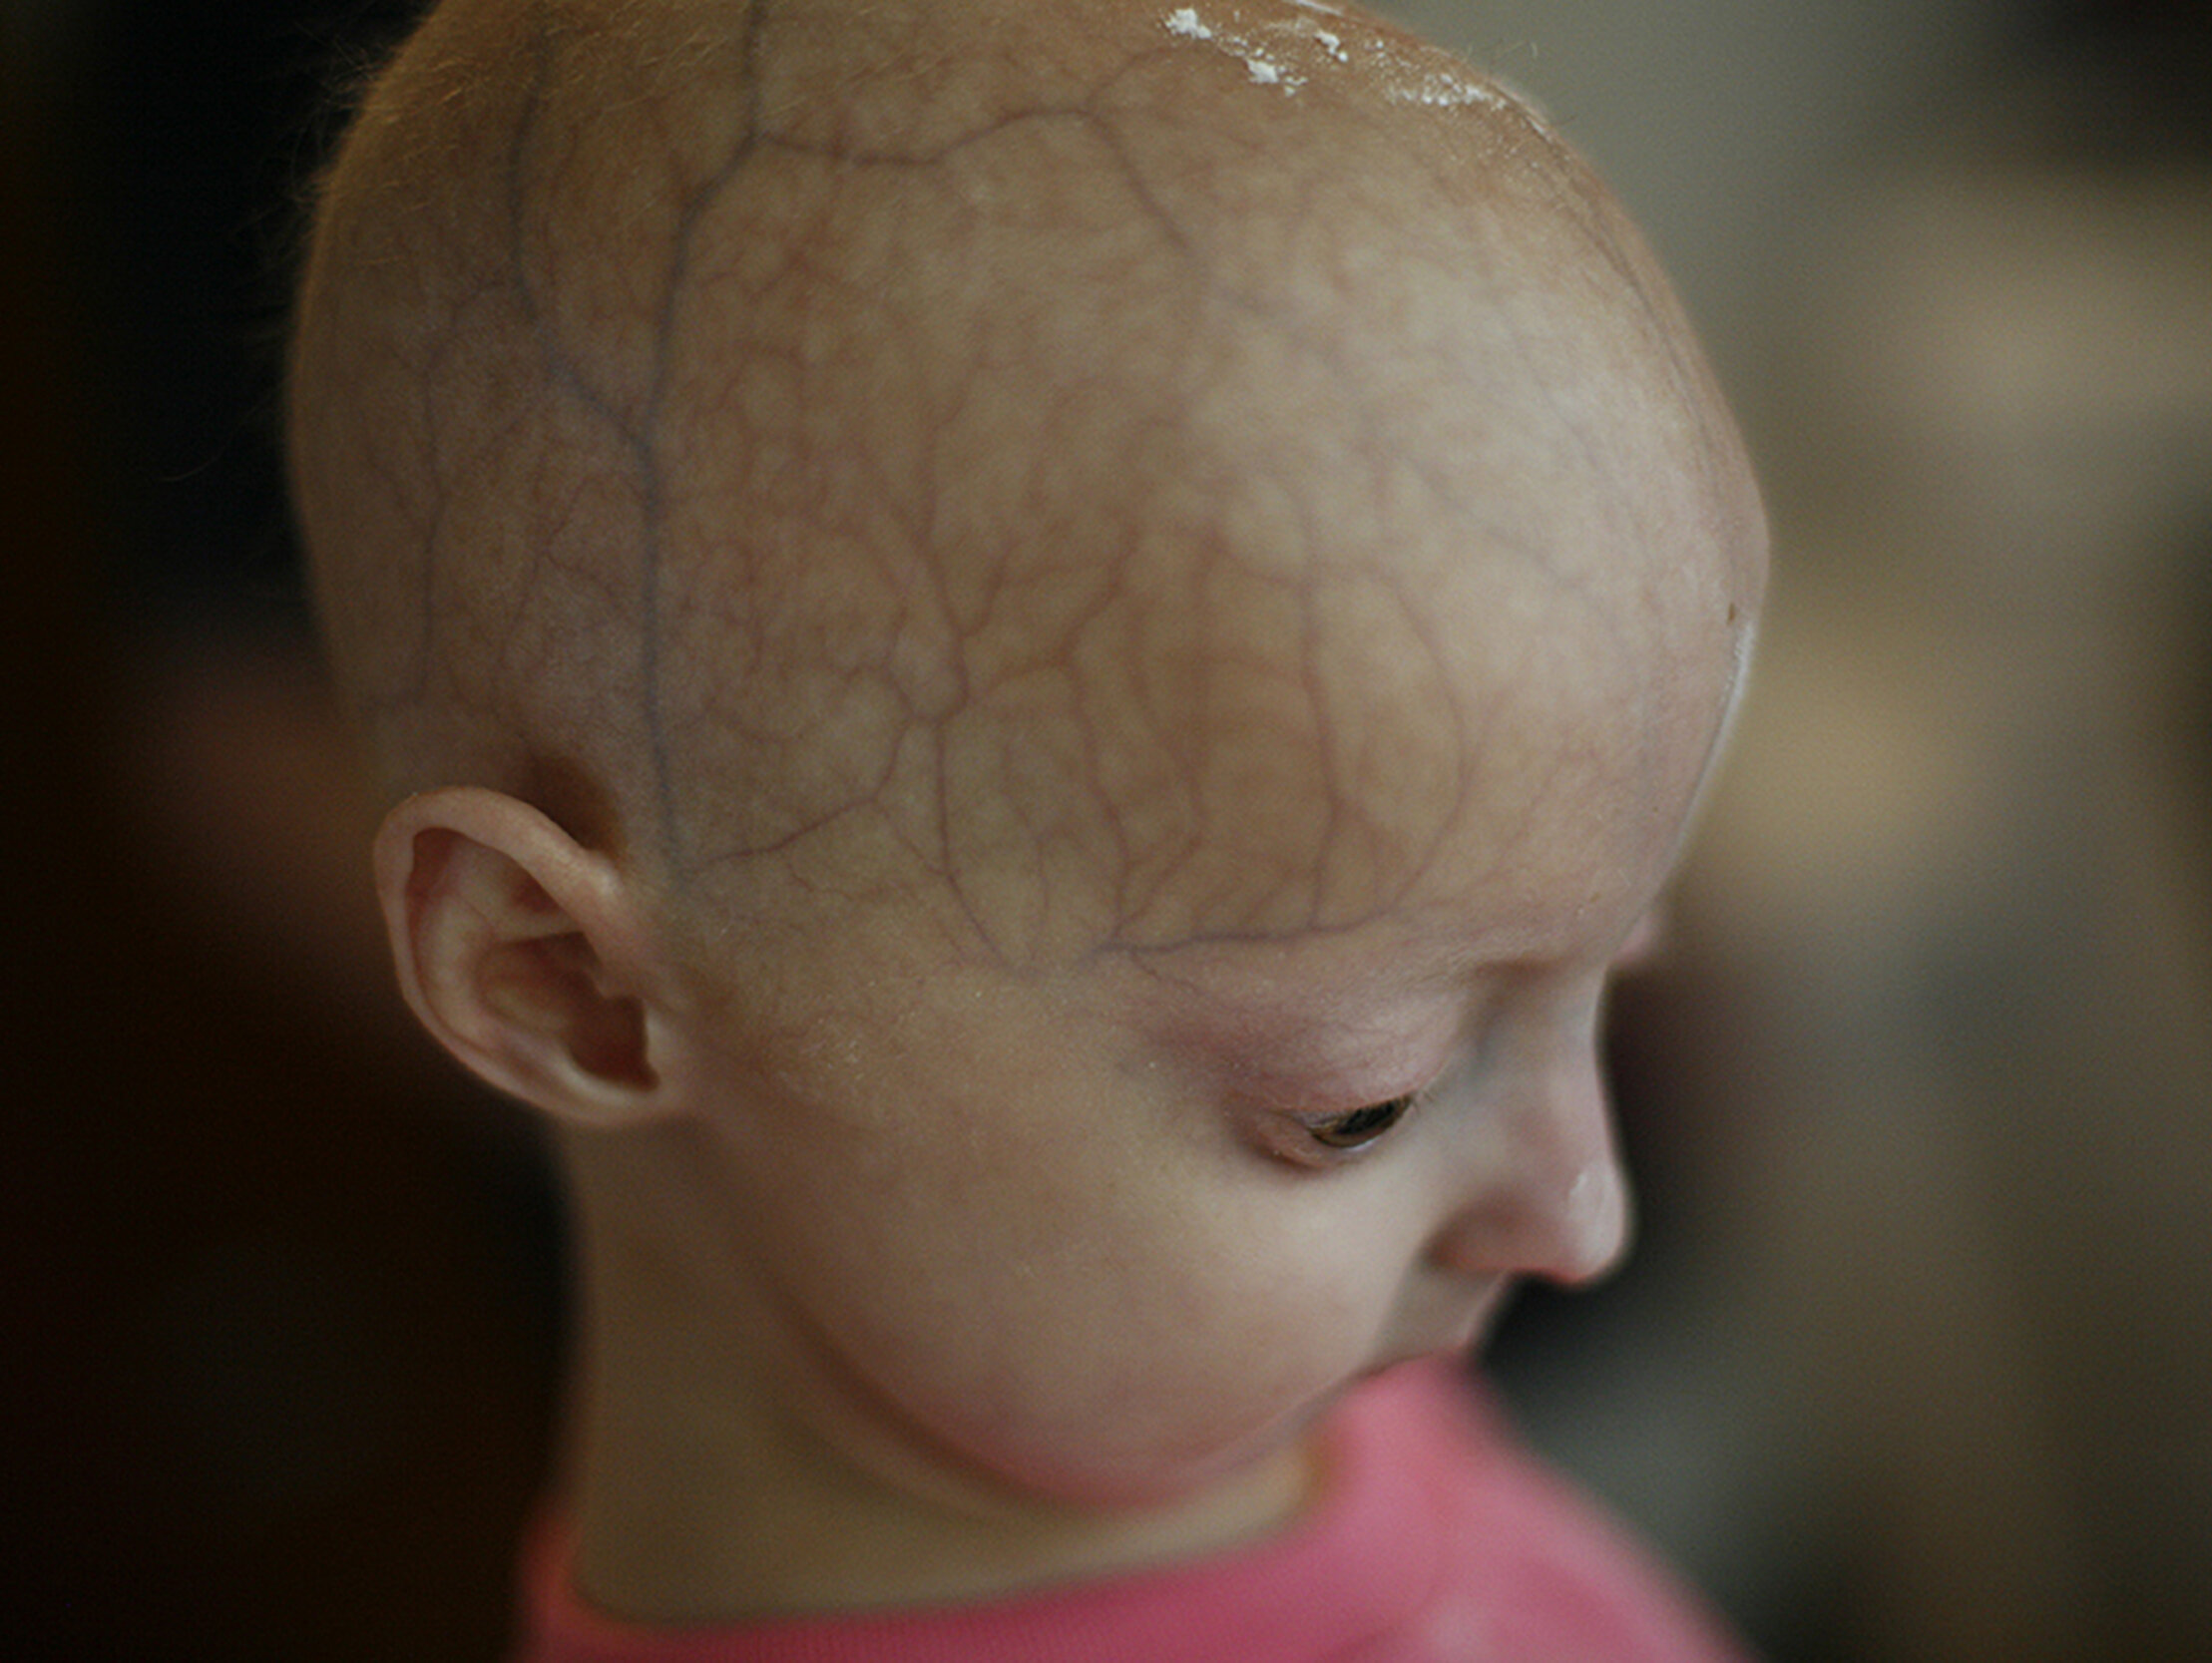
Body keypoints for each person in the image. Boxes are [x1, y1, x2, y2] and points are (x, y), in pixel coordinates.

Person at [286, 0, 1768, 1656]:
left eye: (1609, 977)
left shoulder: (1206, 1400)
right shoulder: (1166, 1371)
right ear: (569, 984)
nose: (1584, 1212)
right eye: (1362, 1107)